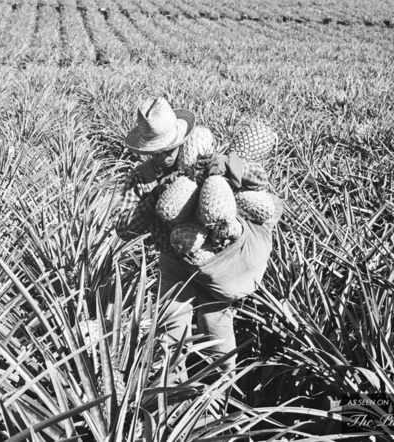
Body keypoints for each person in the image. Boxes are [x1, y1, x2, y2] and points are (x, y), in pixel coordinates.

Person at [114, 97, 284, 385]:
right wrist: (155, 198)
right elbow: (123, 228)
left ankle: (220, 394)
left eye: (168, 150)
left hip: (213, 264)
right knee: (169, 337)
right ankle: (171, 394)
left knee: (218, 338)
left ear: (181, 140)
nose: (162, 158)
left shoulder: (203, 156)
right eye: (155, 152)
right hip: (173, 264)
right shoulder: (141, 178)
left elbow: (261, 179)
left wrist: (229, 167)